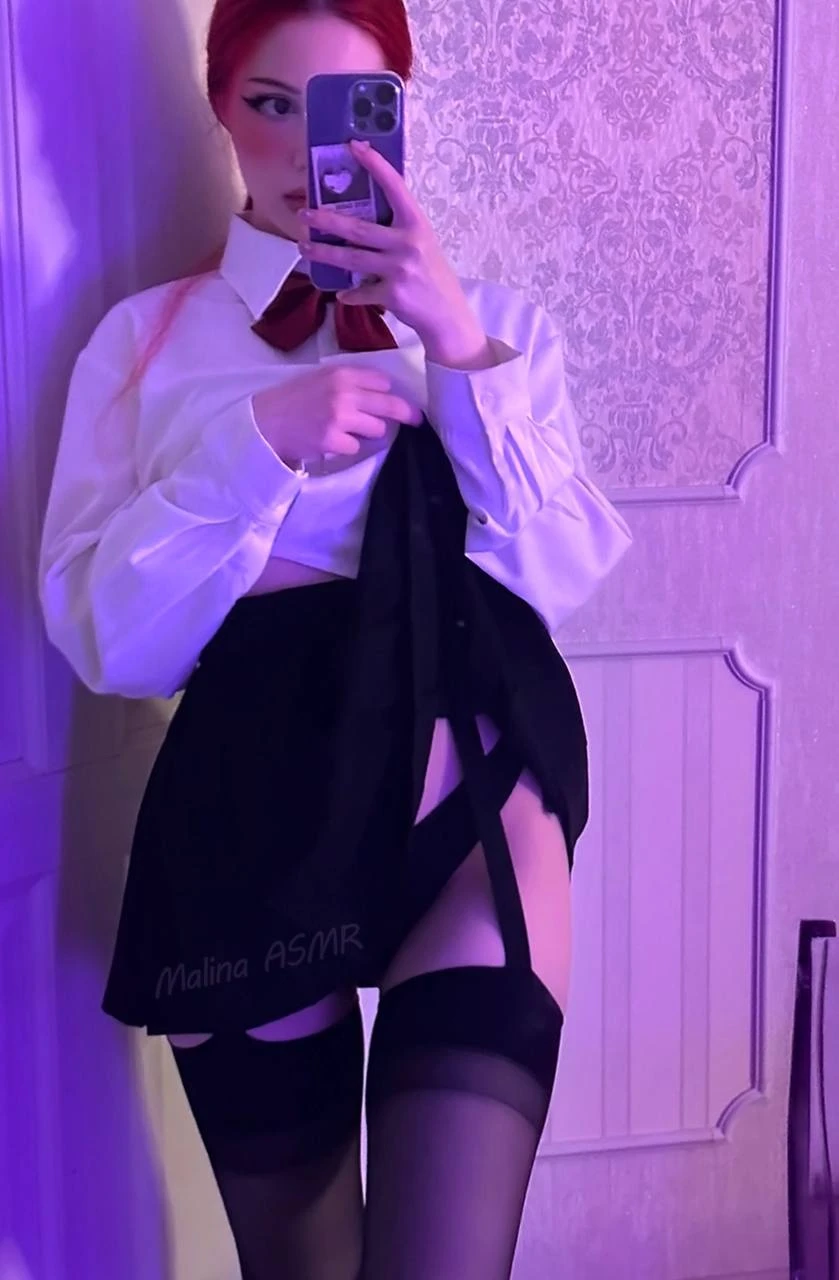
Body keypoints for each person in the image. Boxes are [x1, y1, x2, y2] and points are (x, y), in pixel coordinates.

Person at [38, 1, 633, 1276]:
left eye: (352, 111)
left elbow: (559, 570)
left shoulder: (494, 325)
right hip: (244, 817)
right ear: (218, 107)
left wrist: (453, 340)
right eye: (273, 105)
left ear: (399, 113)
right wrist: (256, 449)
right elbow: (107, 640)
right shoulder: (143, 344)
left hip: (465, 796)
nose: (314, 154)